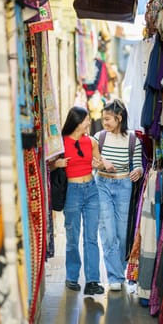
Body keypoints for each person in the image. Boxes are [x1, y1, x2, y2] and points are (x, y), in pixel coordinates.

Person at [52, 106, 104, 295]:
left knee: (91, 238)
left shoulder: (91, 142)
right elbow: (48, 165)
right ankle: (72, 277)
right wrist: (56, 164)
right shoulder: (61, 143)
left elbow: (100, 162)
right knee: (73, 238)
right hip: (72, 192)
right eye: (86, 119)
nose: (89, 122)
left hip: (91, 190)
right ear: (77, 122)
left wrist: (100, 164)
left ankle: (92, 280)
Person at [93, 99, 143, 291]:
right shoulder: (99, 137)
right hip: (102, 184)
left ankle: (120, 271)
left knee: (123, 233)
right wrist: (100, 163)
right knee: (108, 232)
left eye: (107, 119)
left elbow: (137, 164)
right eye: (103, 119)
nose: (104, 122)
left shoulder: (133, 140)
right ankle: (115, 277)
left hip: (124, 186)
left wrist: (137, 171)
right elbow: (93, 158)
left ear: (119, 118)